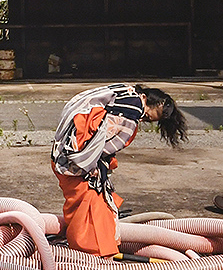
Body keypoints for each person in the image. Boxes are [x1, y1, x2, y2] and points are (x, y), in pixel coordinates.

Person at [51, 83, 187, 258]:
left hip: (63, 154)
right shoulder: (132, 109)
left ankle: (93, 253)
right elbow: (101, 137)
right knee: (90, 212)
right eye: (147, 116)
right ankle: (93, 257)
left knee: (87, 209)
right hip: (78, 163)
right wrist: (92, 165)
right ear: (147, 100)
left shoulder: (122, 91)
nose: (142, 119)